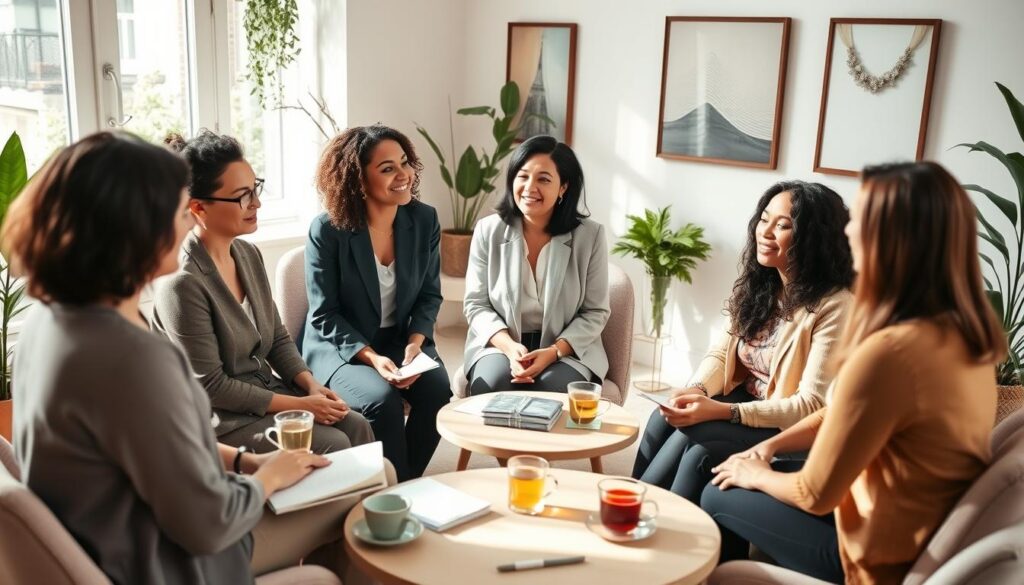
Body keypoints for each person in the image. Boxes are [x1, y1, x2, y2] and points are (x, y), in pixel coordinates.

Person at [3, 131, 390, 584]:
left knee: (363, 467)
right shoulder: (132, 358)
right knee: (369, 485)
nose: (188, 221)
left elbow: (156, 453)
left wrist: (251, 464)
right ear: (132, 230)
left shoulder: (48, 326)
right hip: (173, 564)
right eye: (177, 209)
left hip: (124, 542)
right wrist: (265, 482)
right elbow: (208, 524)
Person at [701, 162, 1006, 584]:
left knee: (720, 489)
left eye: (859, 220)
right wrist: (769, 451)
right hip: (904, 528)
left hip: (870, 557)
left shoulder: (889, 353)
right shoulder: (960, 338)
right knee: (728, 465)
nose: (847, 233)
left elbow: (813, 493)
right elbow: (838, 411)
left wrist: (756, 473)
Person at [632, 181, 854, 504]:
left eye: (783, 225)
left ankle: (647, 513)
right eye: (764, 220)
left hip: (782, 426)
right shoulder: (761, 283)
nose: (765, 232)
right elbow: (722, 354)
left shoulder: (835, 305)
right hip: (742, 401)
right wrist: (697, 390)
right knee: (661, 418)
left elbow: (810, 406)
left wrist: (723, 411)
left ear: (815, 238)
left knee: (697, 445)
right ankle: (631, 504)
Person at [153, 131, 373, 455]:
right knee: (334, 443)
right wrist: (304, 406)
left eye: (255, 189)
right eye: (242, 196)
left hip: (265, 393)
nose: (256, 203)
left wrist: (311, 385)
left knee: (357, 424)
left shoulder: (247, 254)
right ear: (198, 207)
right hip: (219, 420)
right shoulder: (181, 283)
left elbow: (278, 337)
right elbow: (212, 387)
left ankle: (366, 505)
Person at [302, 124, 452, 481]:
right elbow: (324, 313)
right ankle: (396, 492)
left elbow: (430, 295)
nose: (404, 175)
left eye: (405, 163)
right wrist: (372, 357)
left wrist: (416, 344)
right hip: (342, 346)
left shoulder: (424, 219)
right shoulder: (327, 230)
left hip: (402, 341)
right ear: (357, 179)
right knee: (380, 401)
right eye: (387, 169)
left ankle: (401, 483)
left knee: (437, 392)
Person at [463, 135, 610, 395]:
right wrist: (508, 347)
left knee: (552, 390)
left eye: (543, 179)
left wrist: (554, 351)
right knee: (492, 386)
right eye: (523, 176)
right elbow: (476, 304)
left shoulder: (590, 236)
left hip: (566, 348)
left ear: (563, 187)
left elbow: (595, 312)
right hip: (499, 342)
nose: (530, 187)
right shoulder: (488, 230)